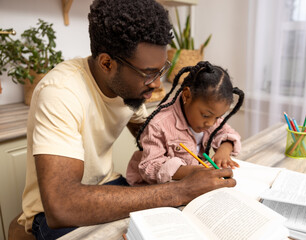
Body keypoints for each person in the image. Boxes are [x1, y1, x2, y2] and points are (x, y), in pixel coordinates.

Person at [18, 0, 236, 239]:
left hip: (111, 185)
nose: (155, 84)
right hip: (54, 215)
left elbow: (154, 134)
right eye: (149, 74)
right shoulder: (60, 92)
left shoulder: (129, 89)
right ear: (107, 63)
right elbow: (62, 206)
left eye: (161, 70)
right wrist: (180, 190)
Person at [126, 61, 244, 185]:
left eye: (218, 117)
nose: (210, 123)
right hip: (152, 190)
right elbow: (149, 168)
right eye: (206, 115)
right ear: (187, 96)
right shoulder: (159, 124)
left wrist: (223, 151)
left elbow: (228, 133)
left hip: (191, 185)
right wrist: (192, 171)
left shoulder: (210, 115)